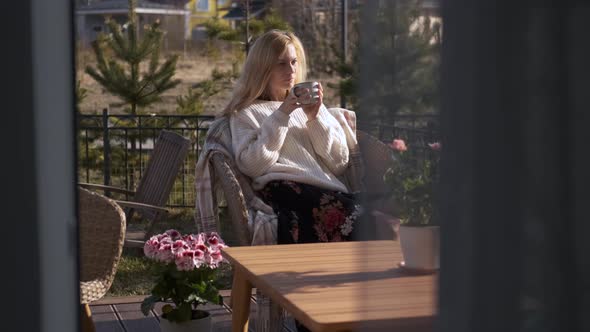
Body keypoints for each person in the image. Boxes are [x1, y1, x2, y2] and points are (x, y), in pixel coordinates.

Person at [222, 29, 363, 251]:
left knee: (382, 217)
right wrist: (281, 114)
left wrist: (315, 117)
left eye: (294, 61)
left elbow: (339, 162)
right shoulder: (245, 112)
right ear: (262, 68)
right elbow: (252, 166)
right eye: (281, 63)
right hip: (287, 191)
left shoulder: (312, 107)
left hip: (325, 190)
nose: (291, 70)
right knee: (370, 224)